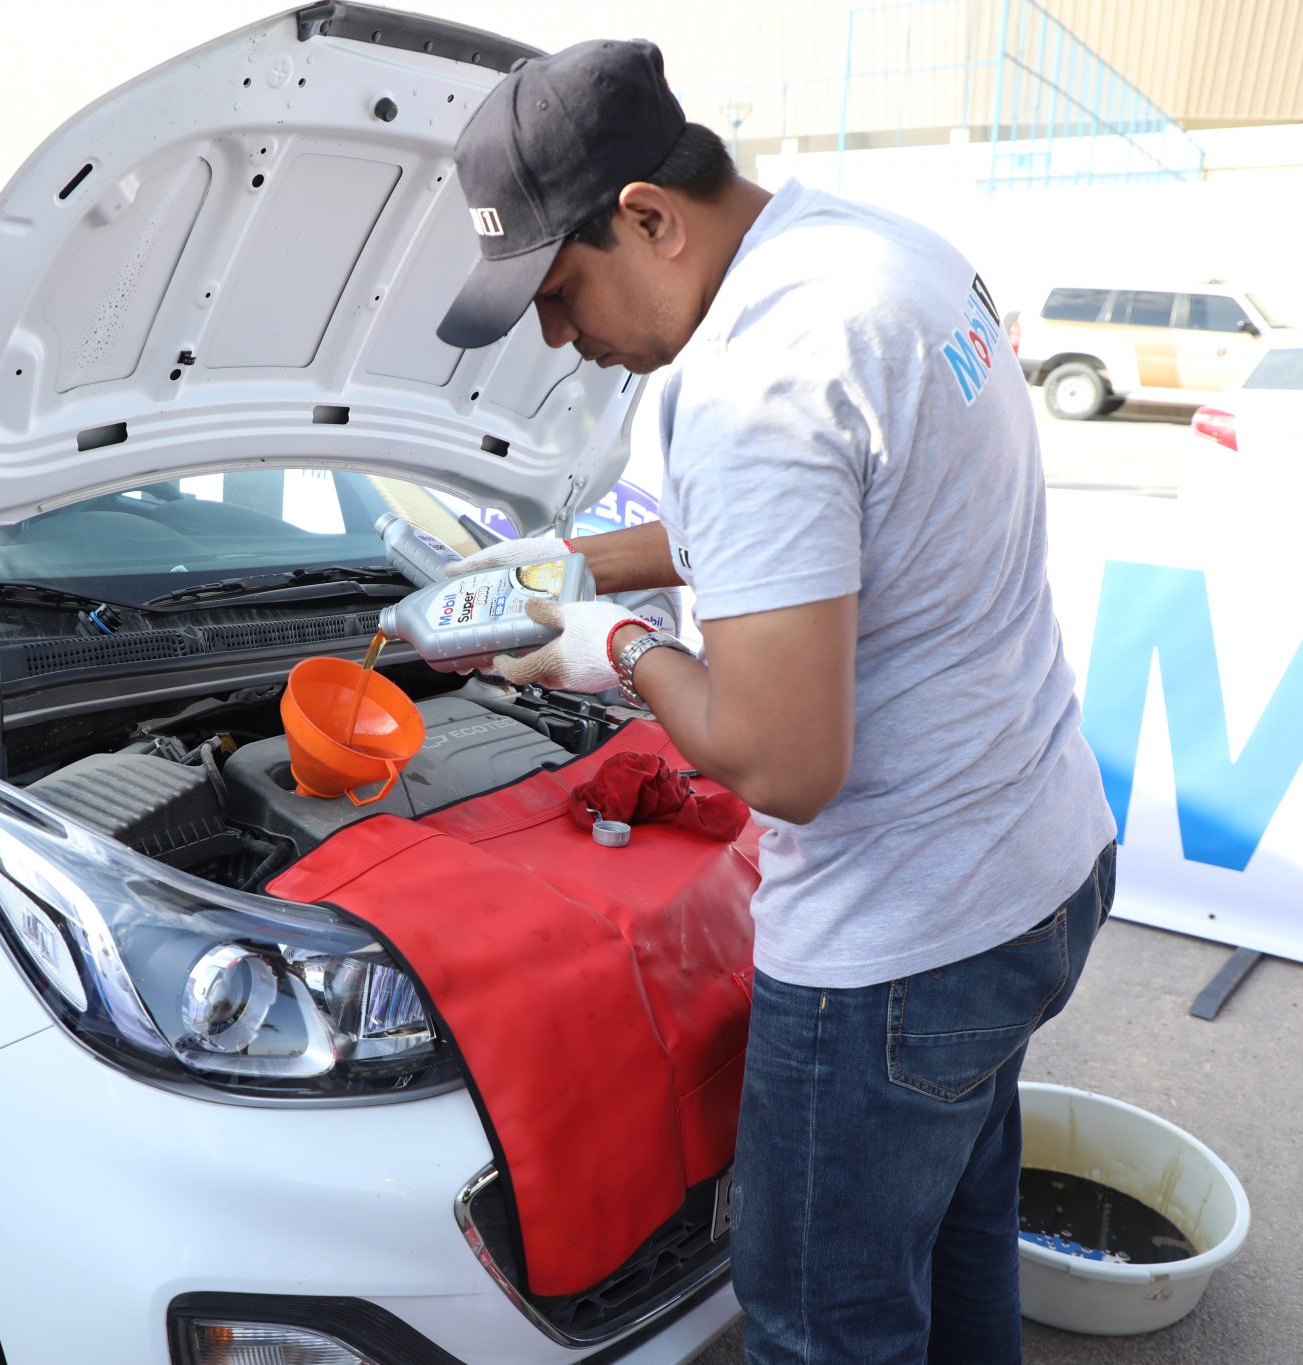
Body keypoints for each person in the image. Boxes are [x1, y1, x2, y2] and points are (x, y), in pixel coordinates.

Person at [433, 38, 1118, 1364]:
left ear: (649, 217)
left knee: (823, 1326)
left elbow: (779, 759)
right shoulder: (873, 257)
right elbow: (813, 534)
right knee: (961, 1245)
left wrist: (613, 641)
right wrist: (566, 564)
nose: (563, 336)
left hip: (895, 948)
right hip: (1037, 869)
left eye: (563, 292)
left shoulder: (755, 381)